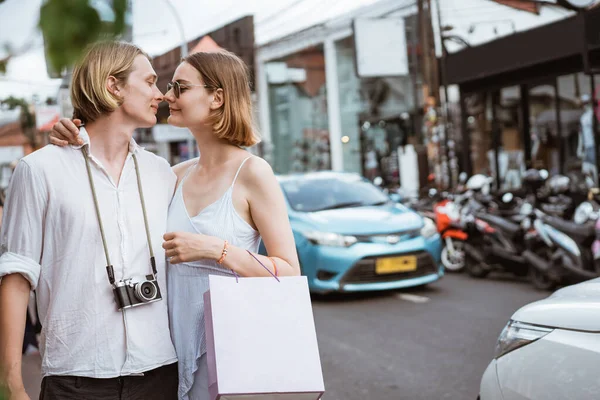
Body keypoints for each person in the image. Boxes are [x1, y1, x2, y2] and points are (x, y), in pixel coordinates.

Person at [49, 49, 300, 400]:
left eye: (180, 88)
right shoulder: (172, 176)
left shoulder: (253, 173)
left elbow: (288, 273)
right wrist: (74, 133)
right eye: (167, 86)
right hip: (165, 356)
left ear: (217, 97)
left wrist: (217, 250)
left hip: (231, 352)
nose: (167, 96)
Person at [0, 41, 179, 400]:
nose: (159, 93)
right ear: (113, 86)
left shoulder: (163, 173)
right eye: (149, 81)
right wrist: (12, 384)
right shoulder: (40, 170)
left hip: (160, 373)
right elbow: (17, 277)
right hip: (76, 378)